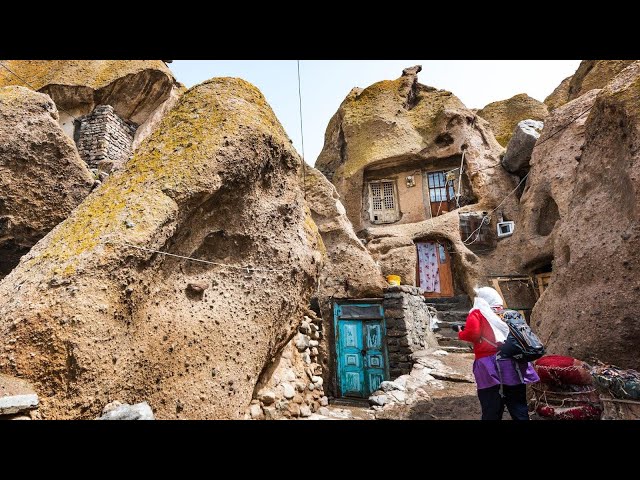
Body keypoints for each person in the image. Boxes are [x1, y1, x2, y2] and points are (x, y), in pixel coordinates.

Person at [452, 286, 540, 420]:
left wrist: (461, 333)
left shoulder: (477, 313)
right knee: (518, 405)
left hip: (489, 366)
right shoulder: (507, 313)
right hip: (513, 363)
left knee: (491, 405)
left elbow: (473, 334)